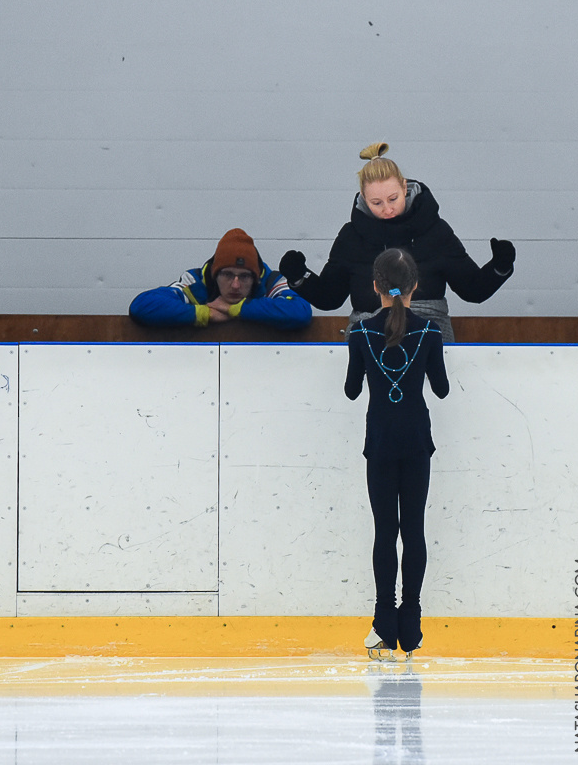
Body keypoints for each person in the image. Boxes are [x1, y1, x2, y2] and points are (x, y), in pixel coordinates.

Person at [279, 142, 516, 342]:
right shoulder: (352, 236)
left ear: (404, 187)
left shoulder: (435, 231)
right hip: (368, 329)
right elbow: (330, 297)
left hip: (427, 327)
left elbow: (472, 289)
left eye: (393, 198)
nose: (387, 209)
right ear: (364, 198)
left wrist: (499, 267)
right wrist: (300, 277)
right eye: (377, 203)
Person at [344, 248, 449, 658]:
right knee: (414, 529)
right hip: (416, 441)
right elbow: (441, 389)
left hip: (381, 442)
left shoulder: (361, 332)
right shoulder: (429, 332)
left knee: (385, 532)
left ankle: (384, 620)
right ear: (415, 286)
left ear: (375, 286)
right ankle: (412, 622)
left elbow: (352, 390)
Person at [129, 227, 311, 330]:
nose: (235, 285)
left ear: (256, 278)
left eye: (244, 276)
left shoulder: (271, 281)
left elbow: (300, 311)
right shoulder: (196, 281)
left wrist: (236, 309)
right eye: (227, 275)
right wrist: (204, 313)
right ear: (215, 275)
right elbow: (142, 306)